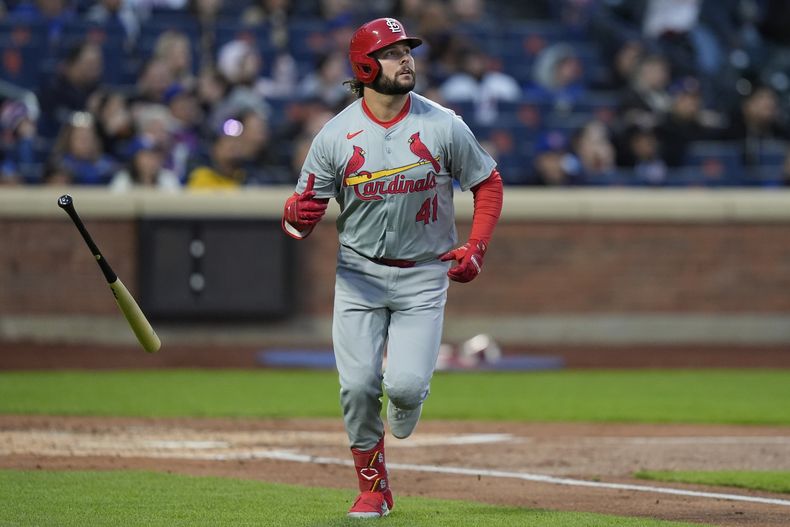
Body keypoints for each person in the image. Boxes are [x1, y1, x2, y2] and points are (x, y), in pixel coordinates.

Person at [281, 17, 503, 518]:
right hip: (358, 273)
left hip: (424, 274)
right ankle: (374, 489)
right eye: (392, 52)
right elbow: (300, 215)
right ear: (364, 66)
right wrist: (295, 215)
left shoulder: (443, 123)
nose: (406, 60)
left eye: (408, 51)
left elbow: (488, 183)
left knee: (401, 388)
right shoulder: (336, 135)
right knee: (357, 386)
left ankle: (408, 395)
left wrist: (477, 247)